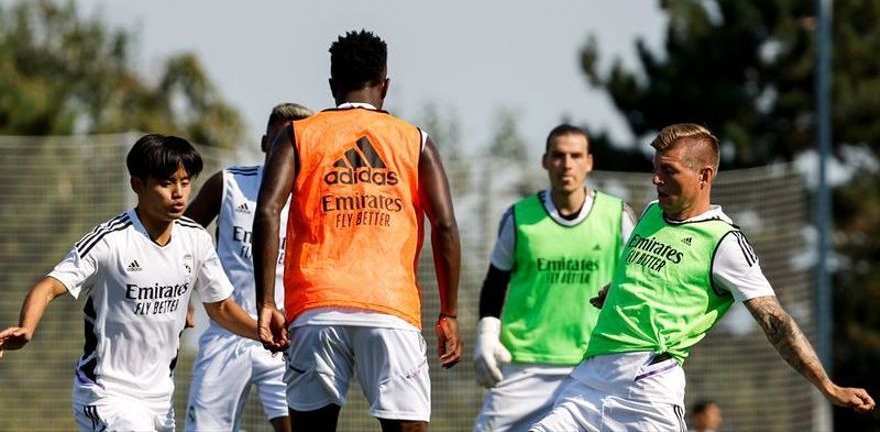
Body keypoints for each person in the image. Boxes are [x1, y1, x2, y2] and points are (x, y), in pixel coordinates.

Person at [531, 123, 875, 431]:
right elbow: (648, 277)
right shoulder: (651, 214)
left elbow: (775, 321)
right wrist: (616, 291)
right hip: (588, 382)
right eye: (655, 169)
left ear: (704, 176)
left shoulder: (724, 242)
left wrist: (827, 386)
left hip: (645, 391)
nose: (656, 179)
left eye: (668, 171)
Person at [252, 29, 463, 432]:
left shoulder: (299, 135)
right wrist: (448, 313)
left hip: (315, 308)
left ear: (332, 85)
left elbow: (268, 210)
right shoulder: (414, 140)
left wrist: (266, 301)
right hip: (391, 310)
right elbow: (446, 226)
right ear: (385, 85)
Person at [0, 134, 260, 432]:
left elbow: (222, 308)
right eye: (166, 183)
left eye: (185, 182)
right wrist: (27, 327)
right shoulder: (110, 241)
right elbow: (48, 286)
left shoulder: (196, 240)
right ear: (138, 185)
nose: (178, 193)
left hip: (160, 400)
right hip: (107, 395)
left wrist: (264, 333)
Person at [472, 124, 635, 432]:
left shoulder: (617, 216)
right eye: (559, 156)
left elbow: (638, 285)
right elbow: (495, 282)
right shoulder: (519, 216)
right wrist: (486, 334)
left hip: (593, 364)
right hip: (524, 365)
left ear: (589, 162)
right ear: (545, 161)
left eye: (576, 155)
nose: (567, 164)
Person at [183, 103, 313, 432]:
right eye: (282, 138)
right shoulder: (228, 184)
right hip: (228, 333)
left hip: (287, 341)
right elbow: (182, 241)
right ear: (265, 142)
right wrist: (183, 298)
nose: (289, 147)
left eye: (298, 141)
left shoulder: (315, 199)